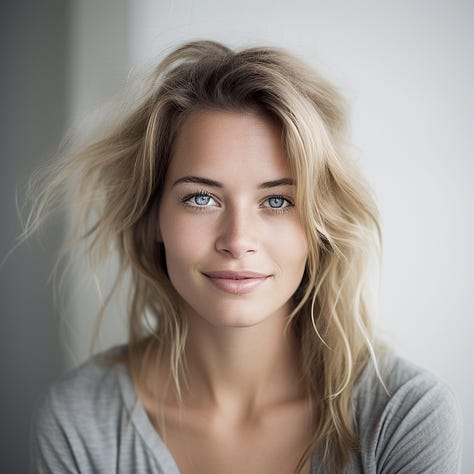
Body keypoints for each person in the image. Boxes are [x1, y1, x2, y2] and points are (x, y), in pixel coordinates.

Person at [30, 40, 462, 473]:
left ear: (320, 226)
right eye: (201, 198)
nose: (238, 240)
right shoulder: (79, 419)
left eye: (276, 202)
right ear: (151, 216)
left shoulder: (404, 416)